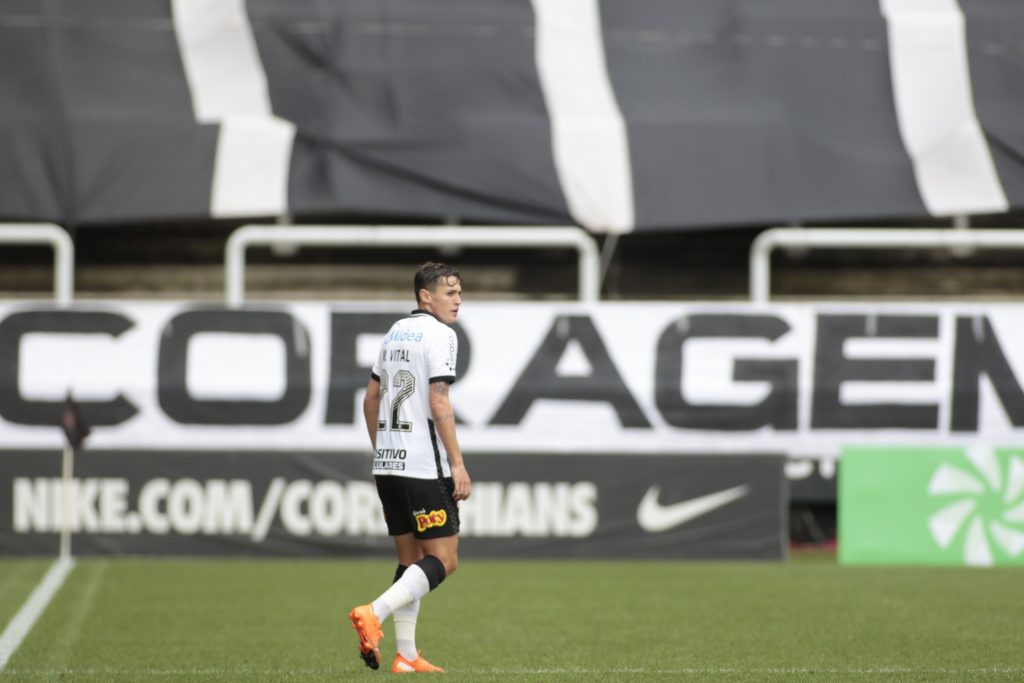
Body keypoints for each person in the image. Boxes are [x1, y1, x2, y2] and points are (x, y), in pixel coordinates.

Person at [348, 262, 472, 673]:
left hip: (388, 464)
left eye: (459, 292)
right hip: (423, 466)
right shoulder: (442, 335)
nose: (458, 300)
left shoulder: (394, 333)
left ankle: (406, 655)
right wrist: (457, 464)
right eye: (450, 293)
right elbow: (439, 401)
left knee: (410, 559)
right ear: (425, 296)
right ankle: (373, 612)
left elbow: (370, 399)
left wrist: (383, 450)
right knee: (445, 559)